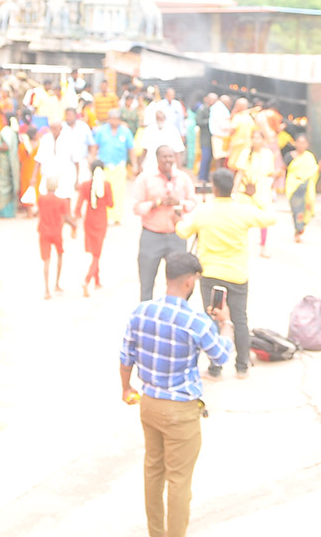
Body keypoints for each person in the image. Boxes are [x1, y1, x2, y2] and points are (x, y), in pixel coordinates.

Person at [120, 251, 234, 537]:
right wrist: (226, 324)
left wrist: (126, 387)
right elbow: (220, 355)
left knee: (153, 471)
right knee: (179, 481)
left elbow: (126, 355)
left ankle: (155, 532)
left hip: (149, 404)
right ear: (189, 281)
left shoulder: (141, 311)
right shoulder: (195, 321)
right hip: (180, 410)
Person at [176, 169, 276, 379]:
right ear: (233, 187)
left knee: (213, 319)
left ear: (214, 186)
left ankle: (215, 368)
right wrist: (254, 196)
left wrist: (178, 219)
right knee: (239, 319)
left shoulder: (204, 211)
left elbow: (183, 231)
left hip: (211, 274)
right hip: (237, 274)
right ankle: (241, 367)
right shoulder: (242, 210)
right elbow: (270, 218)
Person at [131, 146, 197, 301]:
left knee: (180, 282)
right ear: (157, 159)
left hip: (176, 235)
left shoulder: (183, 178)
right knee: (147, 282)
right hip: (151, 235)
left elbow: (193, 202)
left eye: (170, 157)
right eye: (164, 157)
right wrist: (155, 204)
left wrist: (178, 202)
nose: (168, 160)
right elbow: (136, 207)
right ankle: (147, 316)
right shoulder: (145, 178)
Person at [232, 130, 282, 257]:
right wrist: (235, 190)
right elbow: (240, 173)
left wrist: (276, 176)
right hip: (247, 188)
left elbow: (269, 173)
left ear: (263, 140)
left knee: (264, 217)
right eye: (253, 138)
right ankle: (241, 245)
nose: (256, 141)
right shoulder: (245, 153)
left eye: (258, 138)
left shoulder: (268, 154)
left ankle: (263, 246)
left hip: (263, 188)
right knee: (243, 217)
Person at [74, 161, 113, 296]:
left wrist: (75, 221)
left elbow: (78, 206)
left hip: (89, 220)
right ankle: (87, 280)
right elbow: (111, 204)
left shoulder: (85, 185)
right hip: (101, 220)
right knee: (97, 253)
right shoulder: (106, 185)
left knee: (94, 252)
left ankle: (97, 280)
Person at [92, 108, 135, 225]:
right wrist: (92, 160)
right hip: (104, 165)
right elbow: (95, 146)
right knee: (103, 190)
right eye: (112, 119)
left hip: (119, 165)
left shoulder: (125, 132)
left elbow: (131, 149)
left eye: (116, 119)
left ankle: (116, 217)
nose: (114, 121)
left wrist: (135, 165)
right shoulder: (101, 131)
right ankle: (104, 216)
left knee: (118, 191)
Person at [37, 176, 74, 299]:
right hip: (56, 232)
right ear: (57, 187)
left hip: (44, 232)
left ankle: (46, 290)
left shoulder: (41, 199)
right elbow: (67, 218)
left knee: (46, 261)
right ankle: (56, 284)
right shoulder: (61, 201)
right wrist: (74, 226)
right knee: (59, 256)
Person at [284, 133, 318, 242]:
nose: (301, 145)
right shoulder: (289, 156)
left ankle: (301, 227)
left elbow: (314, 171)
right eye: (299, 142)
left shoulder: (309, 157)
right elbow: (284, 170)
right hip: (294, 186)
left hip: (306, 187)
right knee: (297, 209)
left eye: (303, 143)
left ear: (307, 144)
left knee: (305, 208)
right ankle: (297, 230)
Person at [0, 116, 21, 219]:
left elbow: (6, 146)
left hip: (4, 164)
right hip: (10, 163)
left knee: (2, 187)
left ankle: (2, 211)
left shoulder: (6, 131)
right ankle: (8, 211)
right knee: (8, 186)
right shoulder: (12, 132)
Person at [194, 93, 216, 184]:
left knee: (211, 160)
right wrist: (210, 121)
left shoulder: (216, 110)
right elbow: (198, 121)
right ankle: (202, 178)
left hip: (214, 140)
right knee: (205, 158)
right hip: (205, 139)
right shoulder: (203, 109)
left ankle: (208, 178)